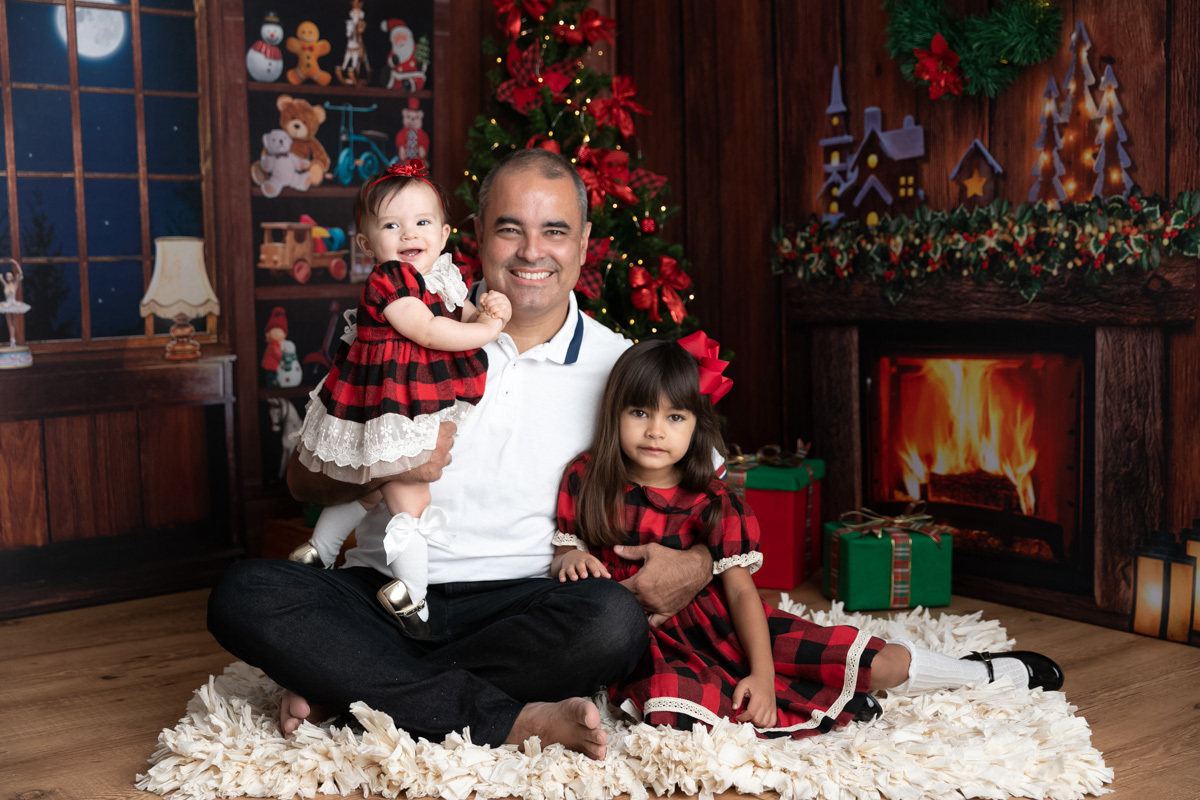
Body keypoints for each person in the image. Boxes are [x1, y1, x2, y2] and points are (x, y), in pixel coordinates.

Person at [207, 148, 714, 760]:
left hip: (522, 606)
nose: (531, 252)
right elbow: (301, 480)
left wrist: (700, 563)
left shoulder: (622, 365)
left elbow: (712, 487)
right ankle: (506, 719)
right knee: (243, 594)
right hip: (383, 593)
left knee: (611, 621)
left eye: (554, 232)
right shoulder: (396, 327)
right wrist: (388, 466)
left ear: (583, 243)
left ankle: (353, 684)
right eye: (510, 229)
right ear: (474, 235)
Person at [552, 335, 1066, 736]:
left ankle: (981, 673)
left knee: (871, 664)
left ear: (695, 425)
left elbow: (741, 594)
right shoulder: (588, 477)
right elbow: (568, 544)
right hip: (654, 645)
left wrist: (761, 674)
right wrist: (569, 555)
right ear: (616, 412)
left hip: (725, 628)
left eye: (674, 416)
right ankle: (841, 707)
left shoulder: (713, 500)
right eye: (640, 412)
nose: (655, 430)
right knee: (677, 711)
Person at [287, 159, 512, 636]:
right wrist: (489, 331)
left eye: (423, 222)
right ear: (367, 244)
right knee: (411, 493)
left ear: (445, 234)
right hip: (390, 403)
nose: (409, 233)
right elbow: (428, 330)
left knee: (372, 489)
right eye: (391, 225)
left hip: (413, 398)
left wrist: (488, 310)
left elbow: (462, 316)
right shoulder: (392, 279)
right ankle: (411, 590)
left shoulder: (442, 276)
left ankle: (318, 550)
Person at [1, 260, 30, 348]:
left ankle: (13, 341)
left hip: (13, 304)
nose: (8, 277)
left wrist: (15, 263)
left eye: (10, 276)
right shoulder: (5, 284)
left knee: (13, 322)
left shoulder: (15, 284)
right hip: (7, 305)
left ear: (13, 277)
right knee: (9, 323)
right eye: (7, 276)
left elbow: (20, 274)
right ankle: (12, 340)